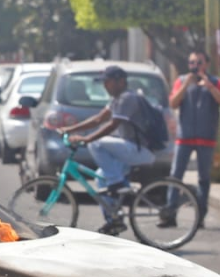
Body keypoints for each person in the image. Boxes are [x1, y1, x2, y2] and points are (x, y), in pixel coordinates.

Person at [56, 66, 155, 235]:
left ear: (120, 82)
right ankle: (114, 220)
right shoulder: (116, 100)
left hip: (140, 150)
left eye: (108, 82)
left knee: (96, 143)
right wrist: (70, 129)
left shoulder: (128, 98)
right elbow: (98, 120)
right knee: (101, 178)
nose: (105, 86)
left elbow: (112, 125)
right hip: (129, 149)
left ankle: (117, 183)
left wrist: (87, 139)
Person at [166, 50, 220, 224]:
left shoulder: (215, 82)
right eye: (192, 63)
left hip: (206, 138)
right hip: (184, 137)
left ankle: (200, 216)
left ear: (207, 64)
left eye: (199, 63)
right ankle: (169, 213)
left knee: (203, 178)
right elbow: (173, 103)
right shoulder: (181, 81)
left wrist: (210, 87)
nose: (195, 66)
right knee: (176, 175)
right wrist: (186, 85)